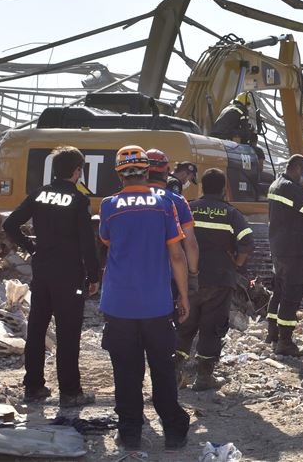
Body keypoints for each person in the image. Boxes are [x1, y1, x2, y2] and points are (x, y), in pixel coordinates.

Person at [97, 145, 191, 451]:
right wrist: (184, 296)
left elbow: (108, 241)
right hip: (156, 304)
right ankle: (174, 432)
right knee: (162, 369)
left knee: (126, 372)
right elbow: (176, 255)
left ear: (120, 174)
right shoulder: (165, 204)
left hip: (119, 305)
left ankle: (131, 433)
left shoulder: (109, 205)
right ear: (147, 170)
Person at [3, 146, 99, 407]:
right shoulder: (78, 200)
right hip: (69, 274)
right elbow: (86, 241)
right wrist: (94, 274)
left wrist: (31, 247)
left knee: (36, 328)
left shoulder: (39, 194)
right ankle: (70, 392)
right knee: (68, 333)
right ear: (77, 171)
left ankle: (33, 387)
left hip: (42, 270)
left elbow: (9, 224)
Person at [177, 169, 254, 391]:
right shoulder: (231, 214)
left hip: (189, 280)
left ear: (201, 188)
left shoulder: (188, 208)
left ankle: (174, 372)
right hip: (220, 281)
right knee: (212, 328)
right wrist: (238, 264)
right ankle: (204, 378)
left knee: (184, 326)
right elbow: (247, 242)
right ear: (223, 189)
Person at [265, 154, 303, 356]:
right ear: (297, 168)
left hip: (280, 247)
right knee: (292, 293)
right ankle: (285, 342)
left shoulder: (276, 184)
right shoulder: (289, 187)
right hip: (293, 249)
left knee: (279, 290)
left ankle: (273, 333)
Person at [146, 149, 199, 286]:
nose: (188, 181)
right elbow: (189, 242)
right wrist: (192, 276)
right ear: (166, 171)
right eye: (189, 177)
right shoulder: (177, 199)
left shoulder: (116, 201)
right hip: (167, 273)